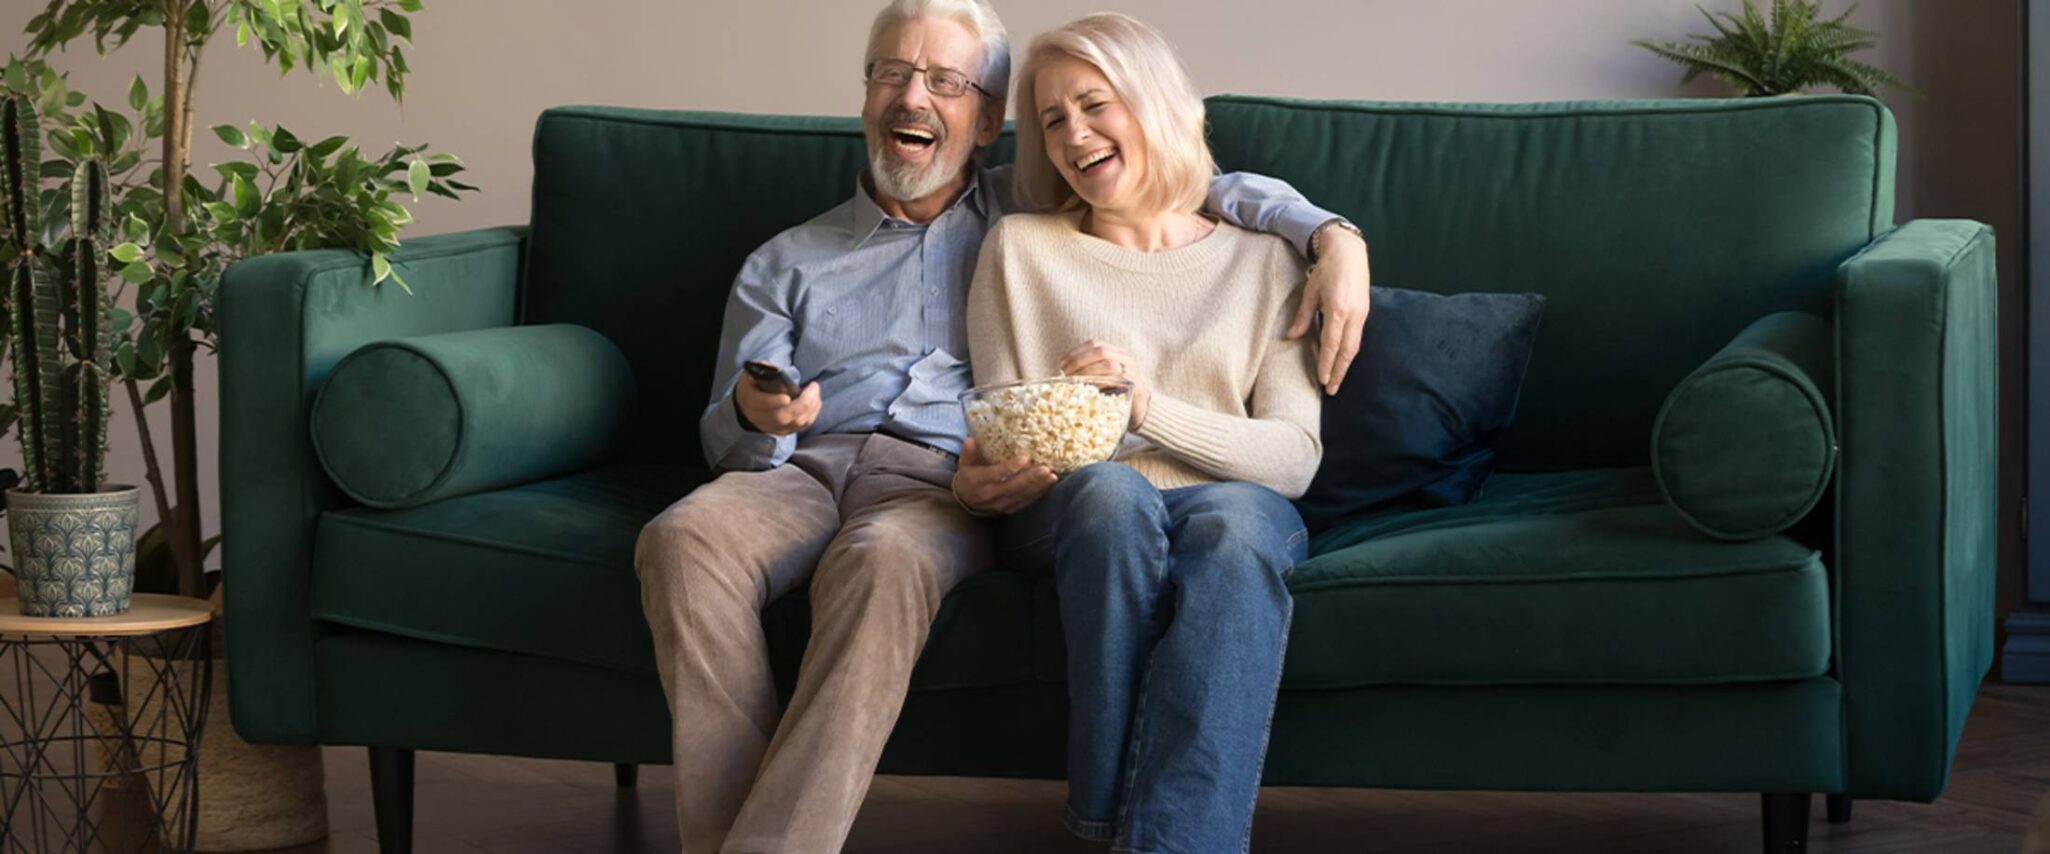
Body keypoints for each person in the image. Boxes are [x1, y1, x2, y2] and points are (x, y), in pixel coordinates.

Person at [633, 1, 1368, 850]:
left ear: (985, 122)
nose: (913, 98)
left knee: (886, 565)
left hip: (930, 483)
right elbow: (724, 440)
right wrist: (755, 416)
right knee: (681, 538)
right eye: (891, 75)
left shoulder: (1026, 204)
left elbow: (1176, 178)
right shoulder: (790, 259)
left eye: (944, 82)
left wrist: (1332, 235)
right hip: (799, 470)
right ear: (865, 96)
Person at [958, 12, 1326, 853]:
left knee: (1235, 529)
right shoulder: (1020, 250)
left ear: (1154, 101)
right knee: (1116, 496)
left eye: (1094, 104)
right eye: (1052, 120)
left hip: (1234, 499)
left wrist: (1146, 407)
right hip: (1077, 508)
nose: (1073, 135)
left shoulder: (1266, 262)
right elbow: (1011, 423)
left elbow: (1294, 459)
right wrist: (993, 473)